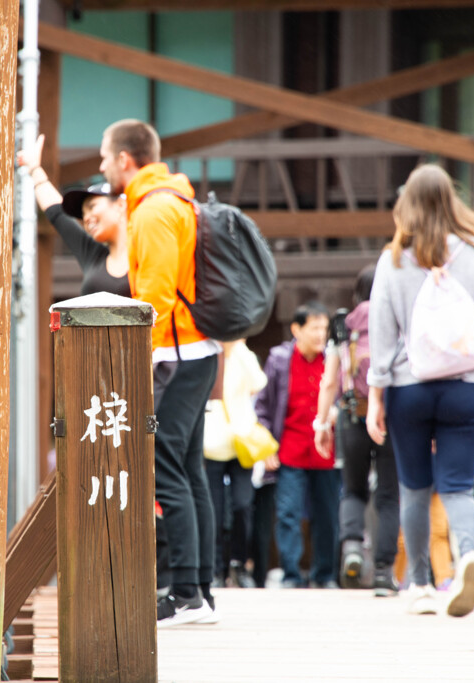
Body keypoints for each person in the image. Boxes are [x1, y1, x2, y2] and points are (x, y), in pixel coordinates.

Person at [366, 164, 474, 617]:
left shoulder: (395, 258)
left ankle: (421, 584)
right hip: (466, 384)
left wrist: (375, 394)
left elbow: (381, 331)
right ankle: (467, 556)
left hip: (409, 387)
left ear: (407, 204)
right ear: (452, 198)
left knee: (413, 487)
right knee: (458, 486)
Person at [99, 119, 219, 627]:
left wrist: (139, 355)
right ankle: (199, 590)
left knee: (165, 468)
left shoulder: (153, 210)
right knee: (188, 470)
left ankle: (187, 591)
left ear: (126, 160)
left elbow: (156, 293)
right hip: (194, 349)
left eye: (106, 158)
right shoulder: (175, 200)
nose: (103, 167)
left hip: (177, 353)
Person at [314, 267, 401, 596]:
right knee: (389, 496)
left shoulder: (344, 325)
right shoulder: (397, 321)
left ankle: (352, 546)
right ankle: (382, 571)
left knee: (353, 490)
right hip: (390, 419)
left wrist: (323, 424)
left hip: (352, 415)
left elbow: (328, 381)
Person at [256, 301, 341, 589]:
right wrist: (267, 445)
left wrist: (336, 412)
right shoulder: (280, 359)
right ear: (296, 329)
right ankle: (291, 574)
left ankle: (325, 574)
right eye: (314, 327)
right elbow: (263, 406)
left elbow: (342, 398)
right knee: (288, 513)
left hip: (326, 453)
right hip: (290, 450)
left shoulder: (333, 358)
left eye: (324, 328)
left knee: (327, 515)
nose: (321, 334)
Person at [17, 134, 130, 298]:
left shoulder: (146, 251)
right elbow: (57, 213)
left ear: (120, 205)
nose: (86, 218)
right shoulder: (94, 255)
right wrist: (34, 168)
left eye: (92, 207)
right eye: (83, 214)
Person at [204, 339, 265, 588]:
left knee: (242, 505)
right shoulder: (206, 351)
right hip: (212, 443)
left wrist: (239, 347)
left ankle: (239, 563)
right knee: (214, 511)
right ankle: (216, 568)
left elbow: (258, 383)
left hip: (241, 442)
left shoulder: (242, 353)